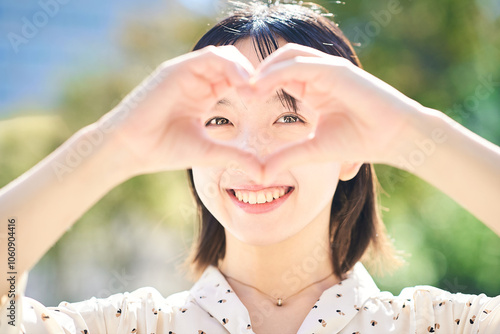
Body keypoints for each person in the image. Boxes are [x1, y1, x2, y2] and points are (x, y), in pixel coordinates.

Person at [1, 1, 500, 333]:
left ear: (354, 151)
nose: (254, 152)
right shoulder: (129, 325)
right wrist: (112, 147)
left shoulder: (437, 324)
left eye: (289, 116)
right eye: (220, 119)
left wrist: (417, 135)